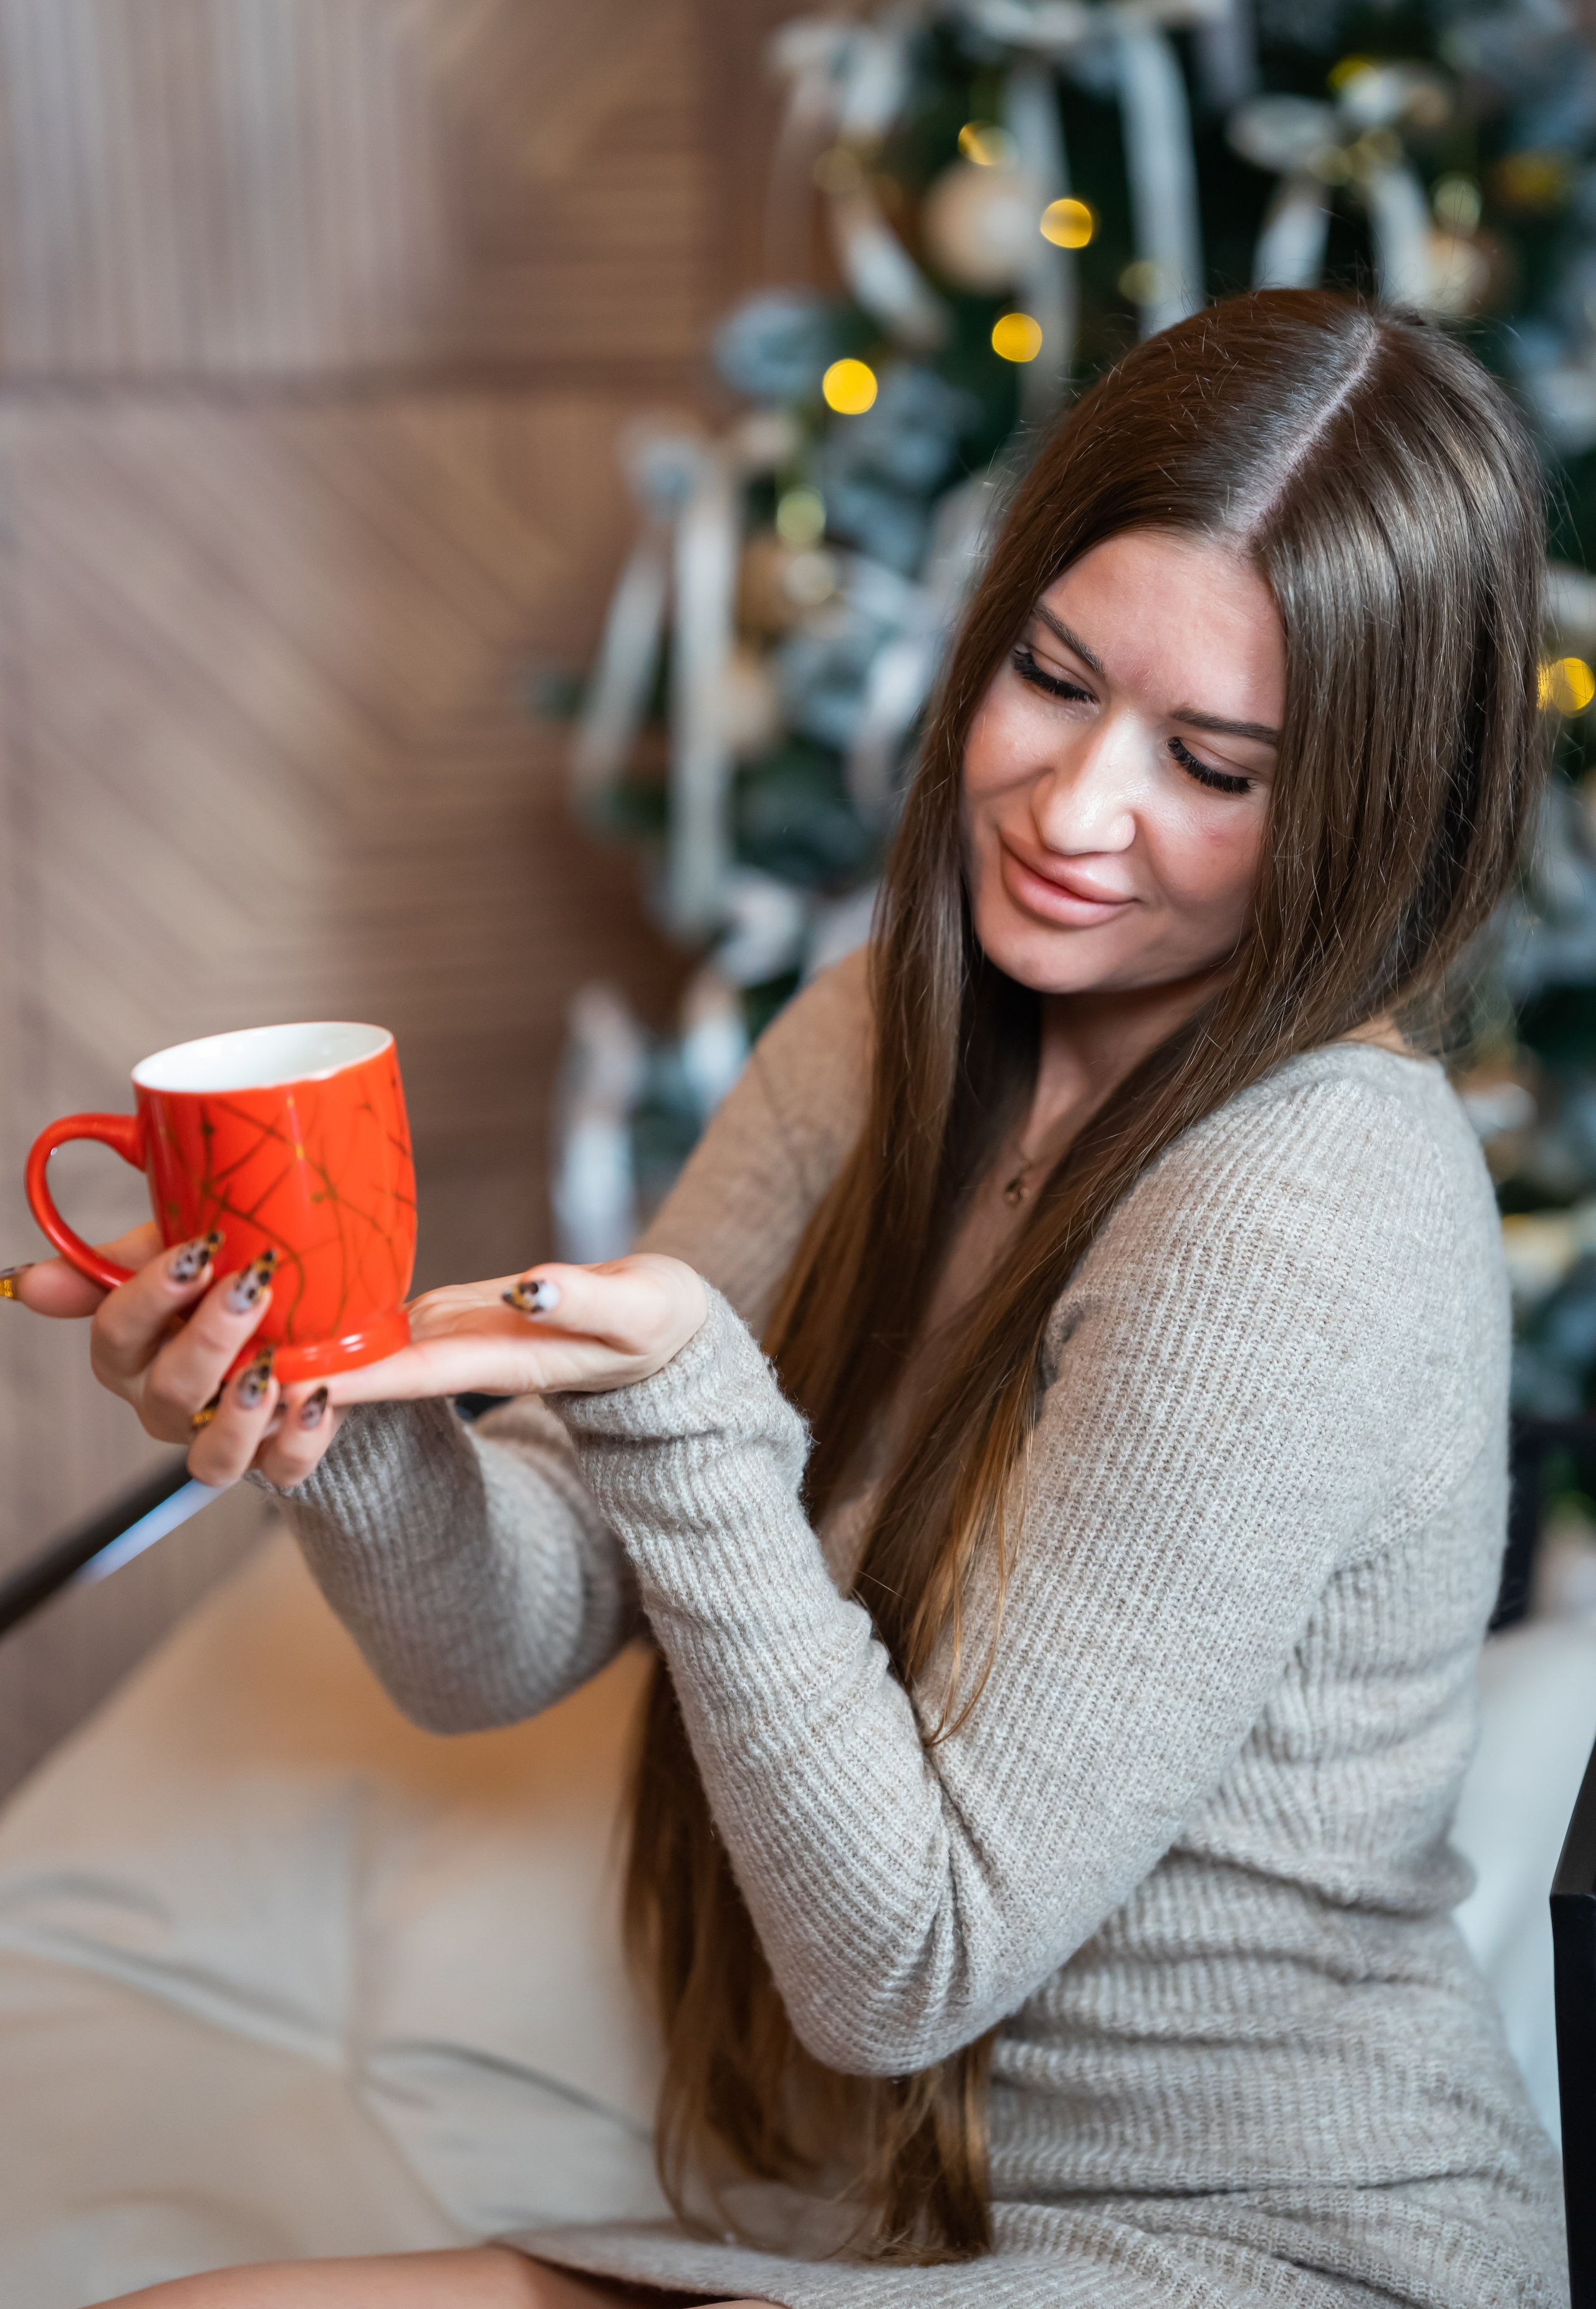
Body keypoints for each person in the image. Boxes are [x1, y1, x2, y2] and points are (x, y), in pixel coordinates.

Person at [12, 290, 1568, 2308]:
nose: (1075, 811)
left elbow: (907, 1964)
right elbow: (498, 1644)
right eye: (1051, 677)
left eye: (1211, 765)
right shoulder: (875, 1033)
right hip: (868, 2240)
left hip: (1258, 2251)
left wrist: (690, 1424)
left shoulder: (1313, 1195)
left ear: (1362, 809)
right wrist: (330, 1400)